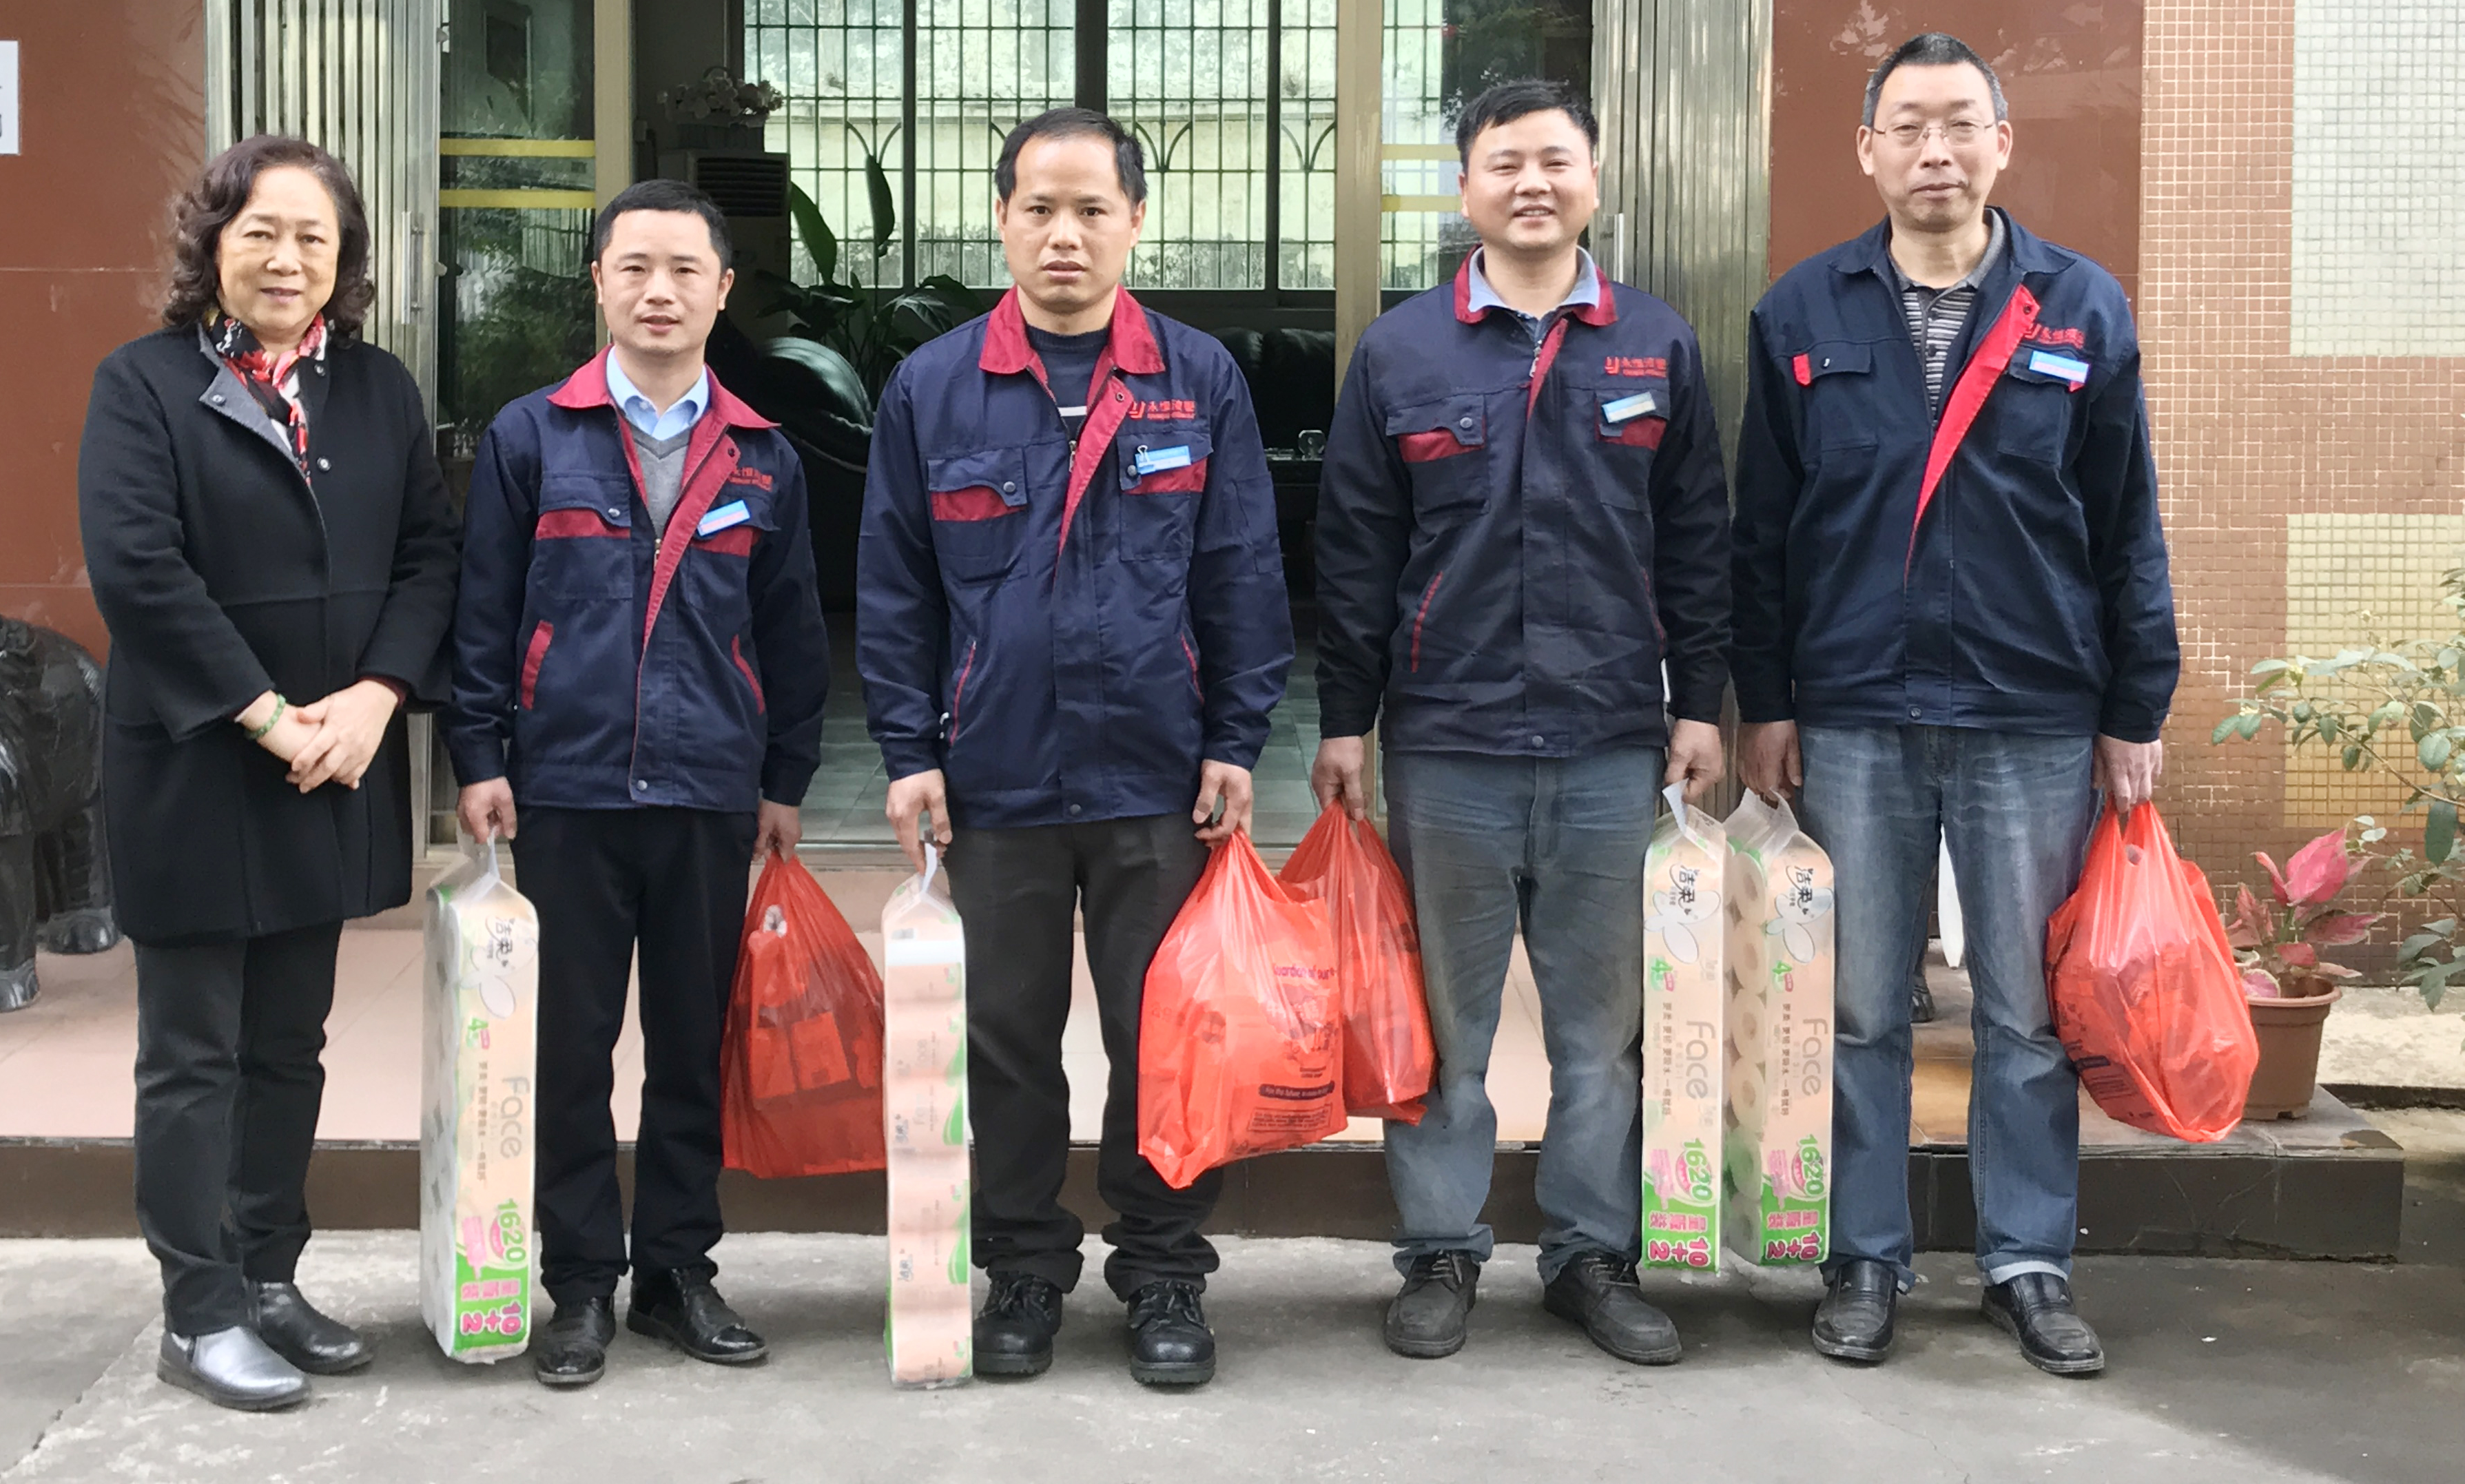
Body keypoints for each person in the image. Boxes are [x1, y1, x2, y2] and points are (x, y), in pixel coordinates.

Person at [1731, 30, 2178, 1378]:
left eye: (1961, 124)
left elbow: (2127, 523)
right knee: (1863, 1008)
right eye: (1910, 126)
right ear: (1867, 149)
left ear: (2002, 144)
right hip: (1856, 709)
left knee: (2024, 1013)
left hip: (2031, 711)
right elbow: (1765, 533)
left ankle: (2027, 1262)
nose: (1937, 150)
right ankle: (1865, 1258)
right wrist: (1766, 700)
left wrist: (2136, 704)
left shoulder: (2080, 306)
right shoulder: (1801, 311)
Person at [858, 107, 1293, 1390]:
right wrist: (908, 750)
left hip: (1158, 773)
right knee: (1005, 1035)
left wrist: (1236, 737)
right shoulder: (934, 386)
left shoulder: (1197, 378)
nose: (1065, 233)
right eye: (1039, 208)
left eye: (1092, 209)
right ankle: (1025, 1268)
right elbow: (894, 590)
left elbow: (1242, 570)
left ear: (1135, 223)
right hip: (994, 776)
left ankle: (1162, 1267)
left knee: (1166, 1034)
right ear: (1001, 219)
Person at [1312, 80, 1731, 1367]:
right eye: (1505, 163)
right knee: (1448, 1029)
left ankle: (1590, 1256)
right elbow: (1355, 549)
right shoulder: (1401, 353)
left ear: (1594, 180)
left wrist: (1700, 702)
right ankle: (1440, 1251)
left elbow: (1698, 541)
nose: (1532, 183)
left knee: (1602, 1033)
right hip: (1450, 742)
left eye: (1556, 160)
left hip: (1611, 740)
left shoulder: (1655, 343)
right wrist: (1344, 721)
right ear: (1466, 189)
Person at [79, 136, 460, 1412]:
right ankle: (198, 1309)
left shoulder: (378, 389)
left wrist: (377, 697)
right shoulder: (143, 385)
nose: (287, 259)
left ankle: (268, 1276)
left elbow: (430, 557)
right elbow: (138, 570)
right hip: (200, 763)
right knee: (195, 1051)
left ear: (344, 260)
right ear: (213, 244)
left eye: (313, 237)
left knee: (291, 1044)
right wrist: (268, 718)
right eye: (261, 232)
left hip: (333, 760)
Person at [444, 178, 827, 1390]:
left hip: (710, 792)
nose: (659, 292)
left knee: (690, 1046)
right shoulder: (531, 438)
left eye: (684, 271)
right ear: (599, 284)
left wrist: (785, 775)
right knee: (569, 1050)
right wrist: (479, 757)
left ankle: (674, 1271)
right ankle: (577, 1284)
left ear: (723, 290)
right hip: (568, 790)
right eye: (634, 269)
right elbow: (484, 613)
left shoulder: (764, 456)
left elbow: (795, 631)